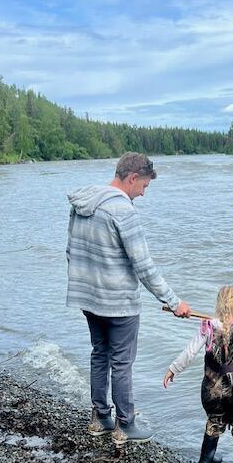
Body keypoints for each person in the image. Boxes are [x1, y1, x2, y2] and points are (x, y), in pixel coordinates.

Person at [66, 152, 191, 445]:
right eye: (144, 186)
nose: (143, 193)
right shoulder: (123, 210)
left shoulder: (83, 203)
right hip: (119, 303)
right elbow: (144, 266)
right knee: (122, 362)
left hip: (89, 297)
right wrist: (175, 302)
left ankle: (100, 419)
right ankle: (125, 425)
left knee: (100, 354)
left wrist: (84, 286)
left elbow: (71, 252)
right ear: (133, 177)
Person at [163, 286, 233, 463]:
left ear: (219, 305)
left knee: (214, 420)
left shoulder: (208, 326)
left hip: (212, 389)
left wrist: (173, 369)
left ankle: (206, 461)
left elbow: (190, 351)